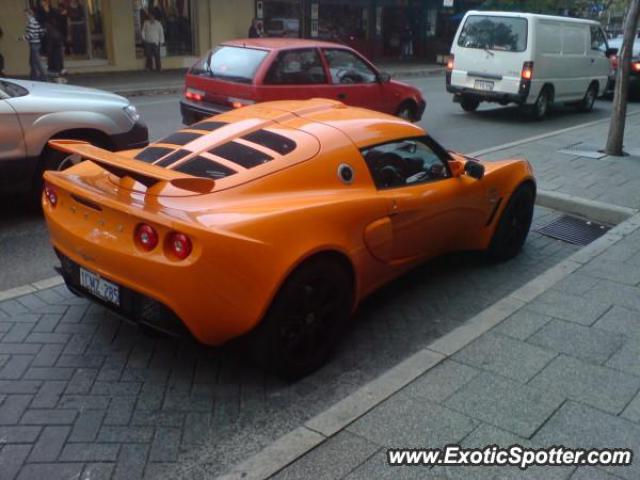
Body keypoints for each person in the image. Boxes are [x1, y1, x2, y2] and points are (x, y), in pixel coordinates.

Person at [19, 9, 47, 81]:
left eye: (26, 14)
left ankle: (42, 78)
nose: (25, 16)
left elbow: (31, 35)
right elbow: (41, 32)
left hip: (34, 44)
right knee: (33, 61)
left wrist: (22, 38)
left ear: (29, 14)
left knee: (37, 62)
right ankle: (34, 76)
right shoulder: (35, 21)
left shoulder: (31, 23)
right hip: (37, 43)